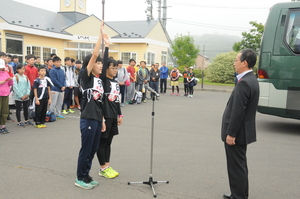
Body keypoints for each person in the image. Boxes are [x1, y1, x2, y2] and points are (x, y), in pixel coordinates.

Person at [221, 49, 259, 199]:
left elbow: (238, 112)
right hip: (243, 131)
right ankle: (240, 194)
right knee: (240, 165)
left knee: (236, 167)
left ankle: (238, 197)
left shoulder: (244, 83)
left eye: (236, 60)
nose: (234, 63)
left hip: (237, 134)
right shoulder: (251, 79)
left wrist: (231, 134)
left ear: (244, 63)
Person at [75, 22, 107, 190]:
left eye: (102, 63)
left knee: (93, 149)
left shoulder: (99, 81)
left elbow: (99, 102)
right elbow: (94, 54)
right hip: (87, 118)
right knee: (86, 149)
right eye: (98, 62)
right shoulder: (85, 76)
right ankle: (79, 177)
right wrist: (100, 36)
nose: (101, 64)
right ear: (91, 64)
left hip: (96, 119)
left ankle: (86, 175)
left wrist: (102, 120)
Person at [96, 57, 123, 179]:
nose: (115, 70)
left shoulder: (116, 82)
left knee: (109, 142)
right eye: (113, 68)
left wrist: (120, 115)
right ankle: (102, 168)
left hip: (113, 116)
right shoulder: (103, 81)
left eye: (117, 68)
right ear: (106, 68)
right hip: (105, 116)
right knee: (102, 142)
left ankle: (107, 165)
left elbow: (117, 100)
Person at [0, 59, 13, 134]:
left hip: (5, 94)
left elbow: (10, 84)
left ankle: (3, 125)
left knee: (5, 111)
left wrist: (10, 80)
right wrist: (5, 80)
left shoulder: (6, 73)